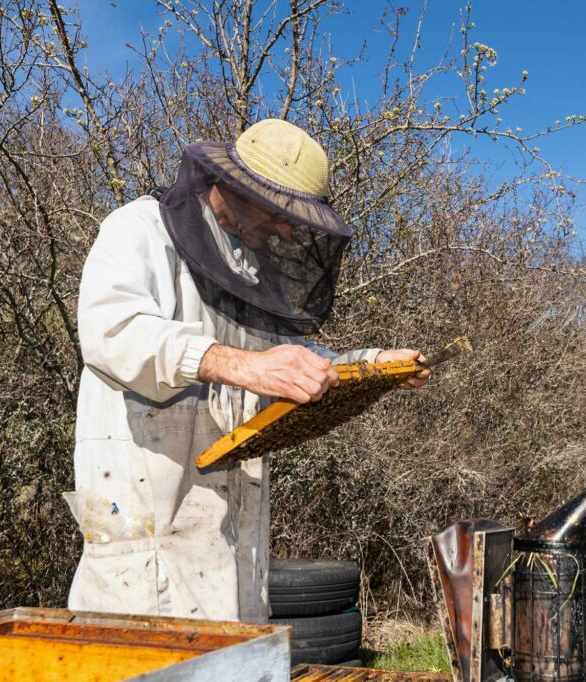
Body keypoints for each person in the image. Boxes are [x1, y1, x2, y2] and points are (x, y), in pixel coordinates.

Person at [68, 118, 430, 622]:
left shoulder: (247, 270)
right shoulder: (139, 230)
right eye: (281, 212)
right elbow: (112, 331)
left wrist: (370, 367)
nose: (286, 228)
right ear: (236, 186)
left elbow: (290, 360)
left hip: (226, 535)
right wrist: (242, 367)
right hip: (143, 526)